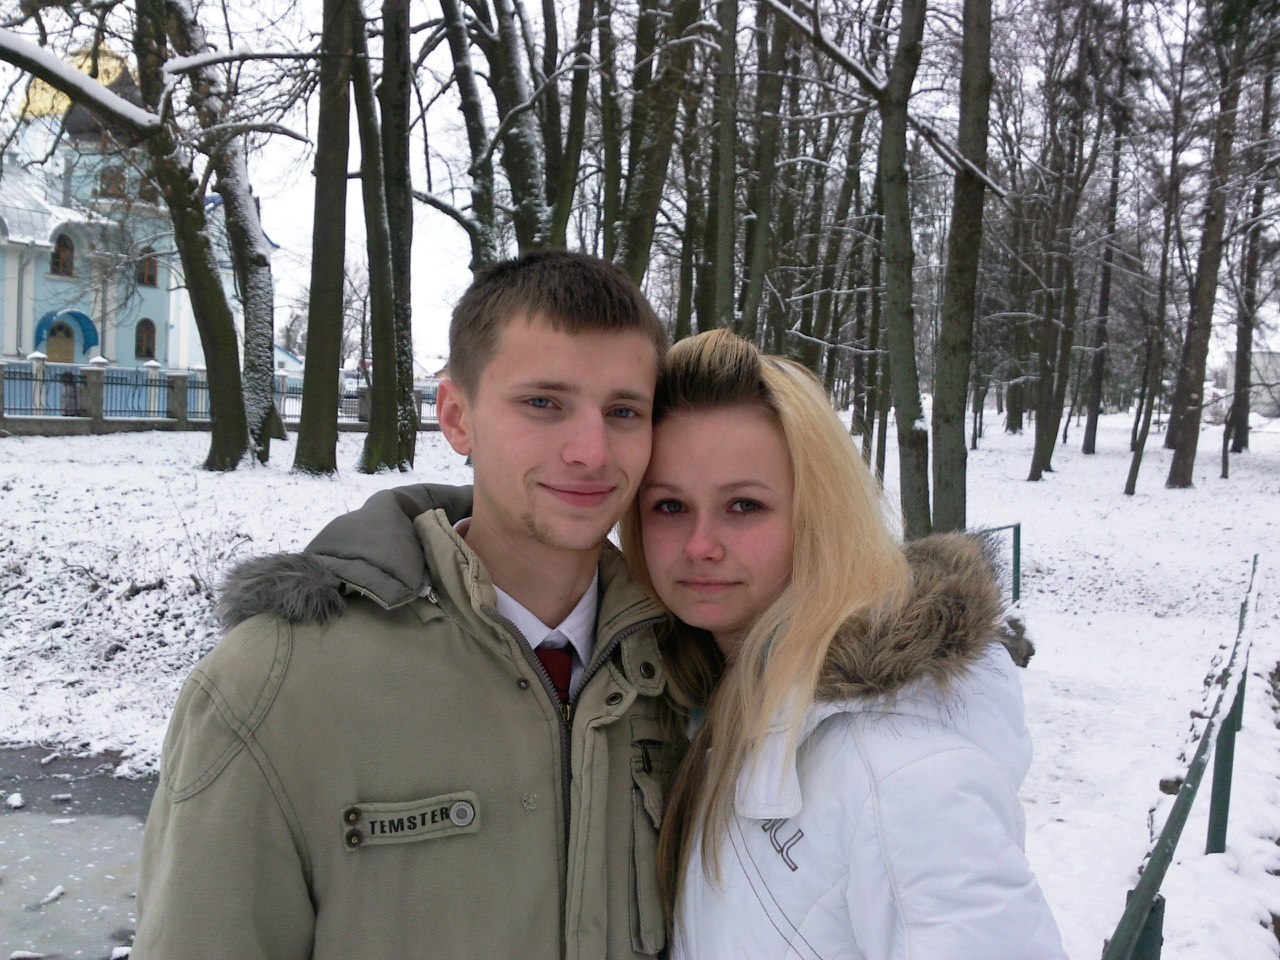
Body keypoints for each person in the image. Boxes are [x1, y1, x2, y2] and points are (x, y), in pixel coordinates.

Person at [132, 251, 684, 959]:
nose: (591, 451)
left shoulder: (685, 675)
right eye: (543, 403)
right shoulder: (274, 687)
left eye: (624, 411)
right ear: (456, 417)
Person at [619, 329, 1067, 960]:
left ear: (819, 515)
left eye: (744, 506)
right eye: (669, 506)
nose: (700, 545)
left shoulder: (901, 777)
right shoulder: (690, 704)